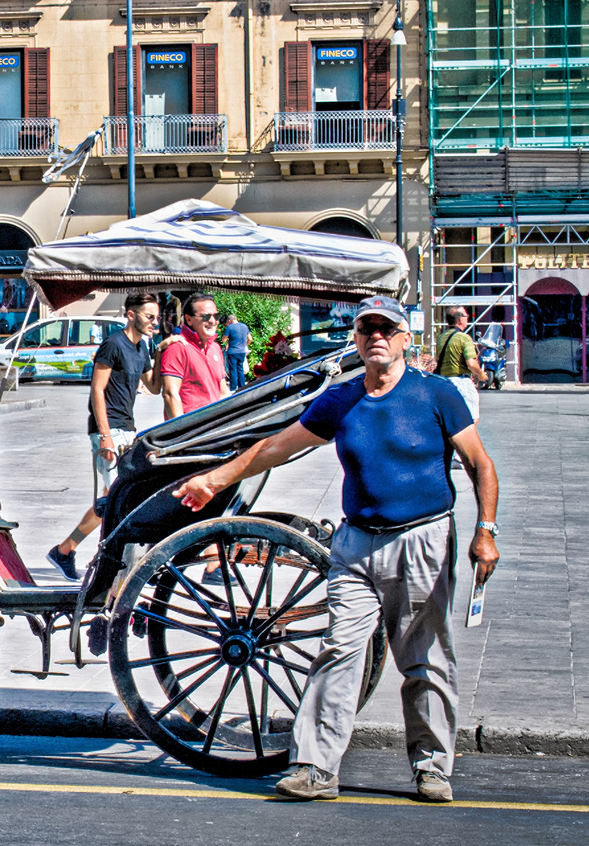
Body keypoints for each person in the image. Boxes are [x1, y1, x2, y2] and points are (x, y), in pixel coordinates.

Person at [173, 295, 500, 804]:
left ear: (405, 338)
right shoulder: (342, 399)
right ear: (355, 338)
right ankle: (316, 768)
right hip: (356, 543)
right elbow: (278, 446)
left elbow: (480, 464)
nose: (376, 337)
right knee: (340, 651)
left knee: (425, 659)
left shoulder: (437, 395)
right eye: (366, 328)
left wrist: (486, 531)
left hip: (422, 540)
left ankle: (432, 768)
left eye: (386, 329)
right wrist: (216, 479)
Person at [46, 292, 167, 581]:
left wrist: (162, 352)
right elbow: (97, 389)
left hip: (128, 428)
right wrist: (104, 436)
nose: (154, 322)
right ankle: (73, 552)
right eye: (150, 316)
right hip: (108, 430)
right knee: (108, 500)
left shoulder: (142, 348)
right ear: (131, 315)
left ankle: (69, 551)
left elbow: (153, 386)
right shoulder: (113, 344)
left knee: (119, 499)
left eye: (157, 317)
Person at [160, 292, 230, 418]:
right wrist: (181, 431)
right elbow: (170, 394)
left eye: (216, 316)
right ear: (188, 319)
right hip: (191, 430)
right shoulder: (178, 348)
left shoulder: (215, 348)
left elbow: (223, 393)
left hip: (213, 428)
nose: (212, 321)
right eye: (205, 317)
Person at [431, 306, 484, 424]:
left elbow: (438, 359)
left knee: (450, 421)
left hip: (444, 383)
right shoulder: (464, 338)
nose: (467, 318)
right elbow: (471, 363)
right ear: (460, 320)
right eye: (466, 316)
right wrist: (481, 374)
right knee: (472, 419)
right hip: (461, 382)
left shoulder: (441, 337)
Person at [223, 311, 251, 390]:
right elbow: (250, 338)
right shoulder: (244, 326)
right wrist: (245, 345)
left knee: (233, 370)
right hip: (242, 351)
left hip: (232, 351)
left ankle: (233, 388)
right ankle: (242, 387)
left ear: (229, 321)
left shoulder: (230, 327)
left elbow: (224, 340)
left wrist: (225, 338)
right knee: (240, 369)